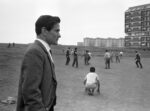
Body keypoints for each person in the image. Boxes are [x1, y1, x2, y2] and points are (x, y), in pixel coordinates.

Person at [16, 15, 61, 111]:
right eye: (56, 31)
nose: (59, 35)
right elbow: (30, 92)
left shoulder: (43, 50)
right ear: (44, 31)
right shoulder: (35, 52)